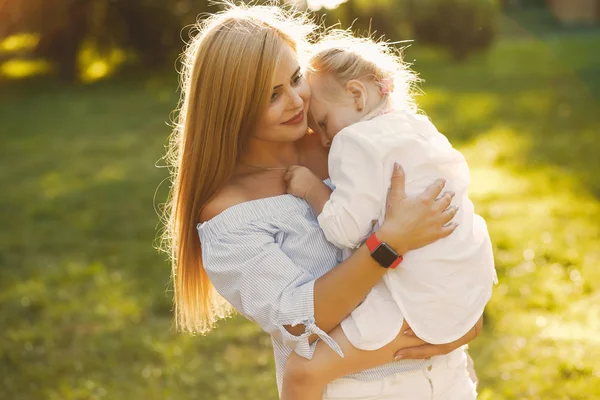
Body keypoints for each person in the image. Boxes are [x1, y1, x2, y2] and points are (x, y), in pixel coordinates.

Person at [162, 4, 484, 399]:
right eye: (272, 96)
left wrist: (466, 318)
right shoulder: (231, 213)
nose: (297, 101)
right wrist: (388, 244)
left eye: (296, 78)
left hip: (445, 378)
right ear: (233, 112)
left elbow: (443, 205)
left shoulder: (348, 134)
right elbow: (299, 323)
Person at [281, 33, 497, 400]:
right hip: (468, 270)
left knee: (306, 368)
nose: (324, 141)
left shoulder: (354, 142)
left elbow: (345, 228)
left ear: (357, 96)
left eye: (325, 123)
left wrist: (312, 189)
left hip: (420, 285)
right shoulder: (416, 126)